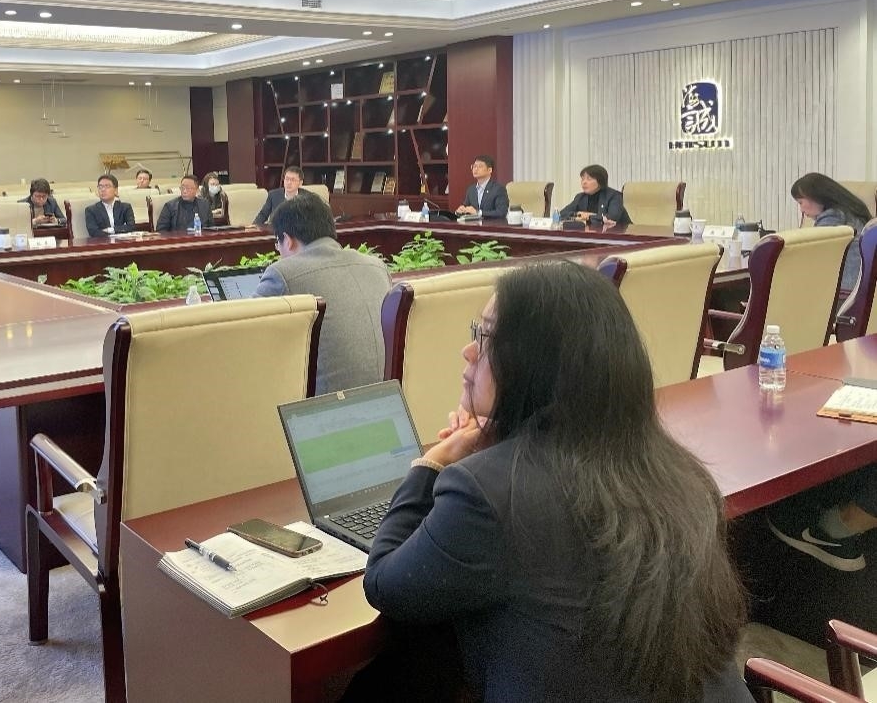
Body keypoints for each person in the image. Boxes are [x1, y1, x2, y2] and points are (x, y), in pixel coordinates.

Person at [361, 262, 749, 703]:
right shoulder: (680, 473)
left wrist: (432, 462)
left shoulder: (487, 492)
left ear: (535, 362)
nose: (469, 351)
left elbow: (386, 584)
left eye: (487, 337)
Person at [253, 195, 391, 395]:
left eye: (277, 243)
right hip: (389, 396)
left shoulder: (283, 273)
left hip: (327, 404)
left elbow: (244, 335)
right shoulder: (377, 267)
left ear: (288, 240)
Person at [790, 172, 871, 291]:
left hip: (845, 289)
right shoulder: (850, 212)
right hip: (860, 286)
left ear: (815, 196)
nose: (801, 210)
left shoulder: (833, 217)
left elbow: (812, 254)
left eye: (800, 202)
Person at [558, 164, 631, 225]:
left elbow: (611, 218)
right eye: (582, 179)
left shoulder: (614, 196)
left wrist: (588, 216)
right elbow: (561, 214)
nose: (584, 182)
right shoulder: (580, 197)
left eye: (589, 179)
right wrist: (578, 214)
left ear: (600, 181)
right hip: (593, 234)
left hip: (621, 235)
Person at [454, 154, 509, 219]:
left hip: (492, 224)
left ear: (489, 170)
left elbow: (501, 212)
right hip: (474, 224)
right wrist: (460, 210)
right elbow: (466, 206)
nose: (475, 169)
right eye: (474, 166)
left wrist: (478, 213)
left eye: (480, 166)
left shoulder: (498, 189)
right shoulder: (471, 189)